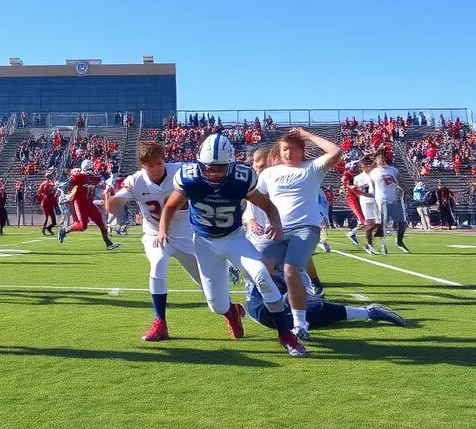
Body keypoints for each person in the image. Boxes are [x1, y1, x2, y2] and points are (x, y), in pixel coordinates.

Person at [157, 133, 306, 357]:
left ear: (231, 164)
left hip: (234, 238)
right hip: (205, 243)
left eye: (219, 168)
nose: (213, 173)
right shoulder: (189, 178)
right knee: (216, 306)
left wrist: (275, 223)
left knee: (262, 277)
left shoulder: (241, 178)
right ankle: (232, 312)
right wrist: (162, 230)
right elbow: (169, 207)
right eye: (208, 167)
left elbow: (267, 205)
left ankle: (285, 334)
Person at [256, 128, 349, 340]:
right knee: (259, 269)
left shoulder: (311, 168)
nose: (289, 153)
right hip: (279, 229)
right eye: (285, 149)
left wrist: (307, 135)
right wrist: (253, 220)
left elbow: (335, 151)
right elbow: (256, 199)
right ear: (279, 153)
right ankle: (285, 300)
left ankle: (300, 323)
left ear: (302, 151)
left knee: (291, 269)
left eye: (294, 149)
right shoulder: (269, 173)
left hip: (305, 228)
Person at [106, 140, 201, 341]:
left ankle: (231, 310)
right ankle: (160, 323)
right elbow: (113, 209)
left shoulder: (181, 171)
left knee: (206, 284)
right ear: (143, 165)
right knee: (158, 263)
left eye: (159, 163)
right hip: (153, 234)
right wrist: (110, 198)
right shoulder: (136, 181)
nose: (156, 168)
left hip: (185, 235)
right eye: (150, 165)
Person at [246, 270, 407, 331]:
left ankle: (370, 312)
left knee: (315, 310)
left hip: (269, 302)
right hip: (263, 304)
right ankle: (370, 312)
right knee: (314, 311)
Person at [57, 161, 119, 250]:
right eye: (89, 169)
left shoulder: (94, 177)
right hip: (79, 203)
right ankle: (65, 230)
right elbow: (66, 184)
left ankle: (108, 244)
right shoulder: (78, 176)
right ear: (85, 169)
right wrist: (64, 192)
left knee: (101, 223)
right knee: (82, 226)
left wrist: (108, 184)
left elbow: (103, 183)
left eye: (91, 169)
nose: (90, 171)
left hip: (89, 203)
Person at [35, 170, 59, 235]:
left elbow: (54, 191)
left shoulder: (51, 183)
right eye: (50, 176)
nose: (51, 177)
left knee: (54, 221)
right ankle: (43, 229)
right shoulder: (45, 184)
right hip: (46, 202)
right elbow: (39, 192)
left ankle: (48, 228)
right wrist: (44, 196)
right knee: (46, 217)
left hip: (50, 203)